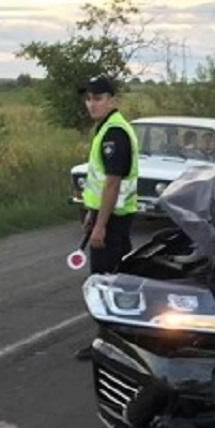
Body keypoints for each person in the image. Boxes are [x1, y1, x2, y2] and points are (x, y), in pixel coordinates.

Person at [75, 75, 140, 359]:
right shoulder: (106, 128)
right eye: (88, 98)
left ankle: (108, 344)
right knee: (114, 279)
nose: (92, 104)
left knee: (105, 284)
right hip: (108, 215)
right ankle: (115, 339)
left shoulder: (115, 133)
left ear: (113, 100)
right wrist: (92, 213)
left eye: (98, 98)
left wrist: (100, 225)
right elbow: (100, 181)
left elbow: (113, 183)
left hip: (114, 219)